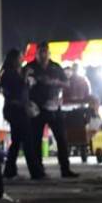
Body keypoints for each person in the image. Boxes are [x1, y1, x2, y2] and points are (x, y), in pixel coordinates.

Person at [24, 42, 79, 178]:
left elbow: (67, 83)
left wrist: (55, 82)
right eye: (40, 52)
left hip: (54, 107)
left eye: (45, 52)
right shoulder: (30, 67)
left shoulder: (55, 67)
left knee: (61, 138)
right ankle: (38, 171)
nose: (43, 55)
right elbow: (22, 84)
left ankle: (65, 169)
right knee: (36, 140)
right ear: (36, 53)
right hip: (37, 108)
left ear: (49, 53)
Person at [0, 48, 45, 179]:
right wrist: (25, 77)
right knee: (27, 140)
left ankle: (10, 169)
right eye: (20, 57)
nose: (22, 59)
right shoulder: (8, 73)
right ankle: (35, 171)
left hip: (21, 109)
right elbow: (16, 90)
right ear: (13, 59)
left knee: (17, 140)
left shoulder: (17, 72)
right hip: (15, 109)